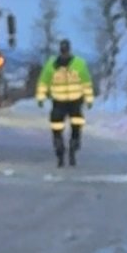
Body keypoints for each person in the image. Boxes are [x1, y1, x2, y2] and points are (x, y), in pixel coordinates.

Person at [36, 39, 94, 167]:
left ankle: (72, 147)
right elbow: (44, 82)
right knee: (57, 127)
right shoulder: (54, 64)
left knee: (75, 125)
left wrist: (89, 99)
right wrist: (40, 97)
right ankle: (60, 150)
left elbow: (86, 83)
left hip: (73, 101)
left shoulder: (77, 64)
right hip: (60, 102)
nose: (64, 54)